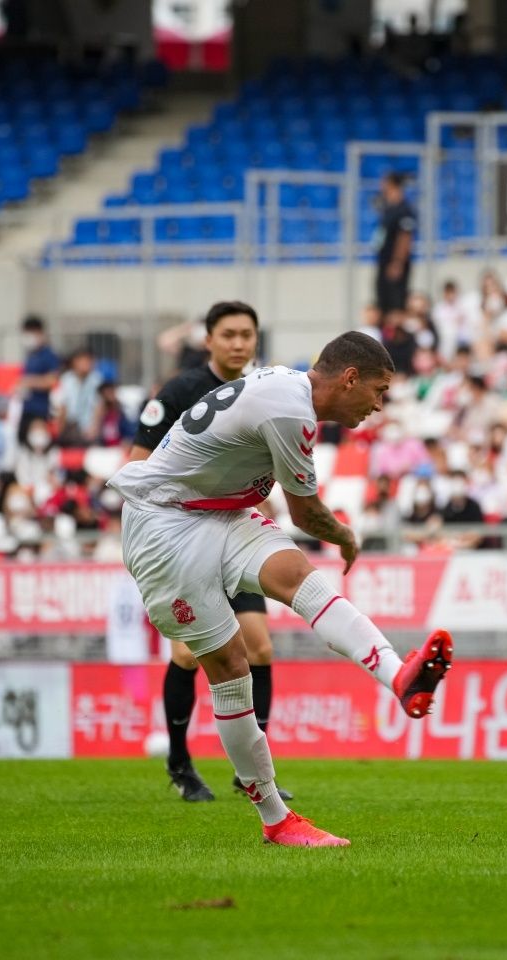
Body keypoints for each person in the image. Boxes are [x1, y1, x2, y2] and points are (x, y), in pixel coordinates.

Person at [108, 331, 453, 846]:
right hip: (162, 530)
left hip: (214, 511)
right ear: (349, 378)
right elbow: (307, 514)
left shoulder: (289, 388)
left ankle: (400, 677)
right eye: (378, 391)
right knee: (230, 666)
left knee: (296, 577)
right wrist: (344, 535)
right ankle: (276, 819)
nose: (378, 406)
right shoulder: (291, 412)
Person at [127, 302, 281, 803]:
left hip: (232, 534)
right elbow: (136, 465)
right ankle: (180, 764)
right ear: (208, 340)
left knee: (258, 646)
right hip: (181, 539)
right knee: (189, 655)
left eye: (247, 335)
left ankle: (252, 770)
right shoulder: (178, 392)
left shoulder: (262, 391)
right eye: (229, 334)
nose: (239, 343)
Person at [374, 171, 416, 315]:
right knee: (382, 303)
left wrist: (397, 262)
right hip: (384, 262)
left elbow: (405, 237)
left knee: (396, 305)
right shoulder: (388, 209)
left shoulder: (404, 210)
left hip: (394, 264)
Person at [19, 316, 60, 442]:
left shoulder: (48, 355)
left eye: (31, 332)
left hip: (41, 409)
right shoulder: (30, 355)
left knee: (38, 442)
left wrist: (29, 381)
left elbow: (52, 380)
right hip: (27, 406)